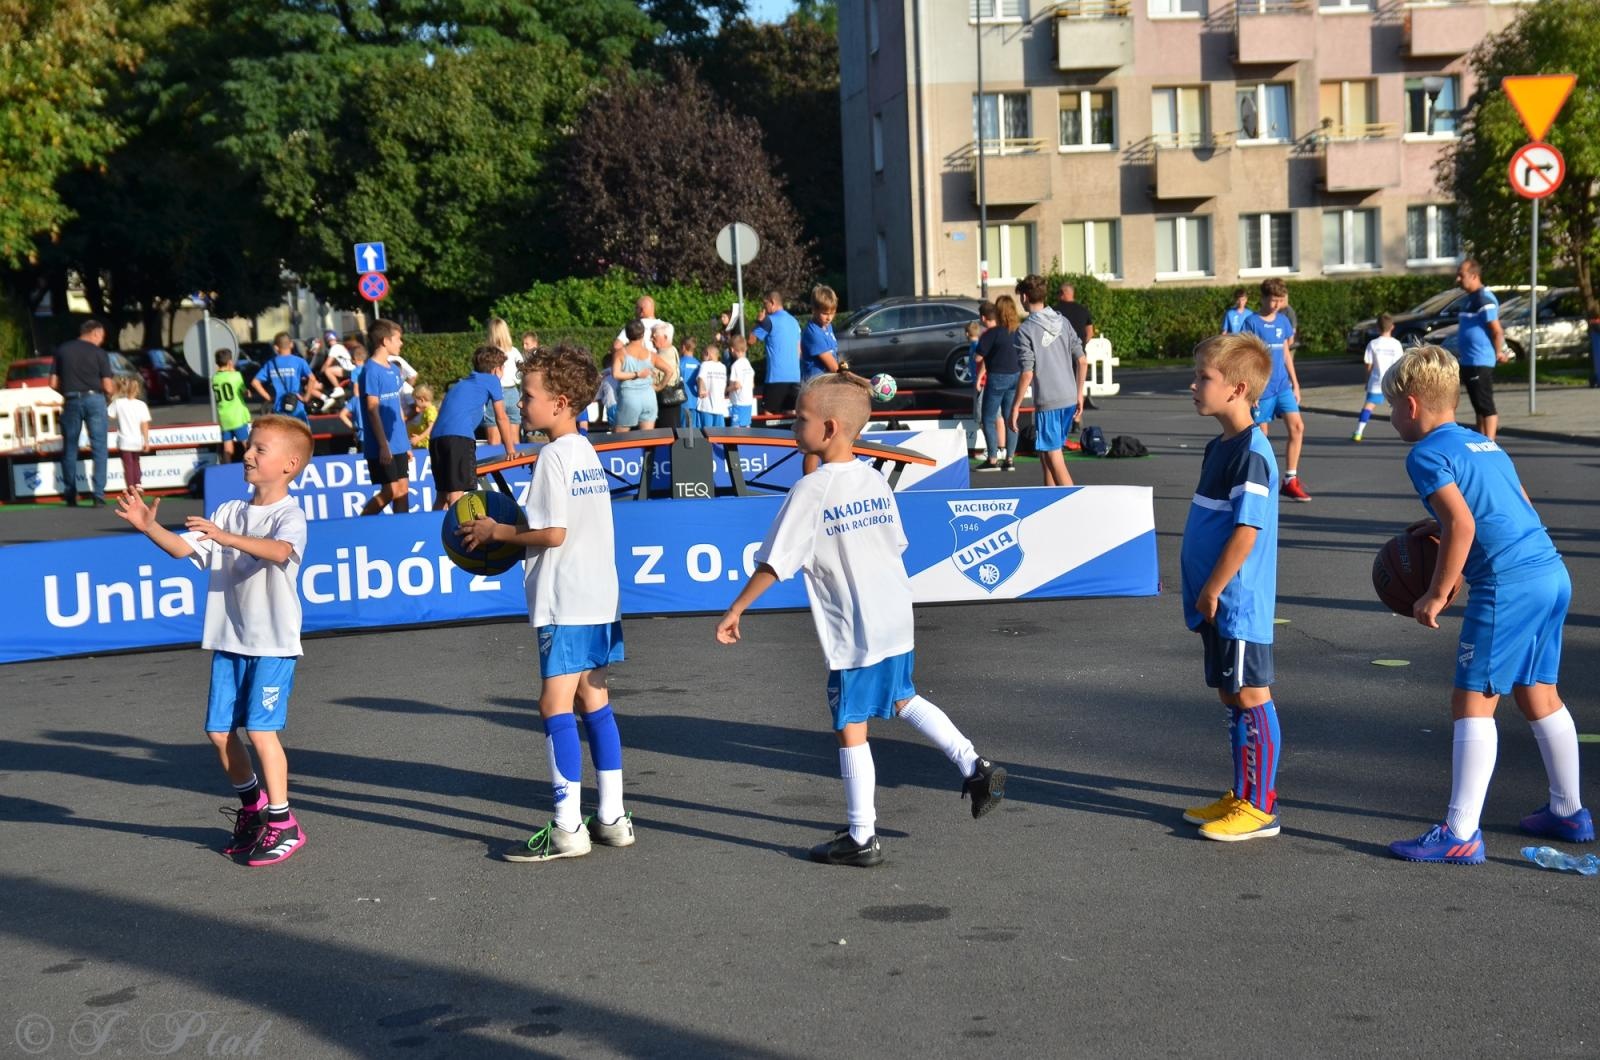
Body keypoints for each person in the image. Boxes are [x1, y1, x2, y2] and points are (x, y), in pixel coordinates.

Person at [715, 374, 1006, 866]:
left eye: (799, 419)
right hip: (894, 615)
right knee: (903, 697)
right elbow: (897, 544)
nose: (791, 424)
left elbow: (774, 562)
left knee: (850, 726)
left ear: (828, 428)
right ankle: (973, 764)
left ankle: (861, 835)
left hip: (855, 630)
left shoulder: (811, 489)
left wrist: (736, 608)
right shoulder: (873, 477)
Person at [1382, 345, 1588, 863]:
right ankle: (1569, 811)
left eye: (1390, 407)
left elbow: (1464, 524)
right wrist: (1442, 525)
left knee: (1472, 700)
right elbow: (1518, 505)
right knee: (1539, 691)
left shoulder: (1425, 453)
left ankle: (1460, 833)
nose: (1390, 417)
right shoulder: (1483, 442)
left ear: (1410, 405)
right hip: (1550, 572)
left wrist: (1436, 591)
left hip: (1509, 585)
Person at [458, 345, 635, 862]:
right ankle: (612, 817)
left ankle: (566, 828)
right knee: (594, 702)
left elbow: (551, 532)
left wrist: (497, 530)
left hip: (564, 601)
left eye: (528, 397)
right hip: (599, 599)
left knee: (552, 705)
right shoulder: (584, 451)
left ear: (559, 402)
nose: (519, 405)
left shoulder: (554, 457)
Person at [114, 414, 314, 867]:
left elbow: (280, 552)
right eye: (249, 445)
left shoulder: (289, 514)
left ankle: (284, 824)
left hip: (272, 642)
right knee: (218, 732)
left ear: (289, 463)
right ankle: (253, 812)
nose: (248, 453)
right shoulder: (228, 510)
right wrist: (149, 527)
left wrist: (226, 537)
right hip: (229, 638)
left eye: (260, 449)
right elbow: (187, 549)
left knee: (261, 731)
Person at [1181, 332, 1283, 842]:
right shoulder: (1219, 446)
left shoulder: (1253, 452)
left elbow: (1248, 529)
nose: (1194, 385)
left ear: (1238, 389)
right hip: (1215, 600)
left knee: (1250, 693)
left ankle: (1261, 808)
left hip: (1237, 601)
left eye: (1205, 378)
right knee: (1229, 692)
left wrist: (1215, 586)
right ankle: (1242, 793)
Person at [1010, 275, 1085, 487]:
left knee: (1053, 456)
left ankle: (1072, 504)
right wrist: (1079, 393)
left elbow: (1027, 373)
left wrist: (1015, 407)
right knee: (1046, 454)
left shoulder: (1025, 331)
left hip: (1049, 400)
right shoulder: (1063, 321)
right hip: (1069, 396)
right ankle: (1050, 501)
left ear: (1024, 297)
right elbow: (1082, 360)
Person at [1243, 278, 1311, 502]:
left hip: (1283, 386)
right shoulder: (1251, 322)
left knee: (1298, 427)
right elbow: (1246, 359)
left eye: (1280, 301)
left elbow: (1284, 354)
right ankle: (1260, 481)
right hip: (1262, 388)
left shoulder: (1282, 321)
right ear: (1263, 298)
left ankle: (1290, 480)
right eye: (1273, 300)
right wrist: (1250, 390)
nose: (1276, 304)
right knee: (1261, 436)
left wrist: (1296, 383)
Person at [429, 345, 517, 509]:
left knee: (442, 495)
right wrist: (510, 449)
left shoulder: (462, 383)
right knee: (456, 493)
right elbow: (502, 417)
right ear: (496, 369)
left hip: (436, 439)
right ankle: (455, 533)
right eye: (503, 367)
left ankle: (433, 532)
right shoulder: (492, 380)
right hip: (458, 437)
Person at [51, 319, 114, 506]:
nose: (101, 340)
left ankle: (70, 493)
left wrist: (68, 392)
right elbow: (108, 386)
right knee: (99, 447)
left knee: (70, 447)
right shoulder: (99, 353)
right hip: (95, 400)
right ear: (95, 333)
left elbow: (52, 383)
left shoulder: (62, 350)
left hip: (71, 400)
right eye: (101, 336)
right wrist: (108, 396)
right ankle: (99, 494)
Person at [358, 320, 411, 516]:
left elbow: (396, 408)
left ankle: (402, 534)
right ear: (384, 341)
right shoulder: (370, 370)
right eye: (398, 339)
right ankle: (360, 524)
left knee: (403, 491)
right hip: (382, 445)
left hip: (398, 443)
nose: (401, 343)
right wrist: (383, 445)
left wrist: (404, 443)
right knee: (391, 490)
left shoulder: (394, 369)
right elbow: (372, 409)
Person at [1454, 259, 1507, 441]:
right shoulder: (1470, 299)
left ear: (1474, 276)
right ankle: (1481, 439)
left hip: (1480, 360)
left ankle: (1489, 444)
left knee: (1485, 405)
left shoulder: (1484, 299)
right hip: (1468, 360)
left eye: (1461, 275)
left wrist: (1500, 351)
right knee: (1478, 405)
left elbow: (1496, 330)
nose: (1457, 279)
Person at [978, 296, 1021, 471]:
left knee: (988, 418)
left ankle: (993, 459)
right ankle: (1010, 459)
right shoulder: (1018, 331)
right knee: (1011, 418)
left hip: (997, 377)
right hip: (1015, 376)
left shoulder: (994, 333)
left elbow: (978, 356)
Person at [1351, 313, 1405, 443]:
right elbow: (1401, 364)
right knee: (1399, 408)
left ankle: (1358, 432)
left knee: (1368, 406)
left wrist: (1367, 380)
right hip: (1392, 380)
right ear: (1392, 327)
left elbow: (1368, 365)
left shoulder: (1373, 344)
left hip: (1376, 381)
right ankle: (1404, 432)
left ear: (1377, 328)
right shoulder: (1396, 344)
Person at [752, 290, 802, 415]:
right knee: (790, 414)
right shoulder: (794, 321)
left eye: (765, 304)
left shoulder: (769, 321)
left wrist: (758, 321)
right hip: (794, 377)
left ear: (772, 302)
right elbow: (799, 350)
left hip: (776, 377)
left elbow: (751, 340)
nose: (764, 308)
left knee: (768, 415)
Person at [251, 332, 316, 425]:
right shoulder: (299, 361)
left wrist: (269, 398)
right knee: (302, 435)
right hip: (297, 406)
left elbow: (255, 382)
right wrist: (306, 398)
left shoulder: (270, 364)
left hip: (279, 408)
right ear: (291, 344)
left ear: (276, 347)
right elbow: (312, 379)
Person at [611, 321, 661, 432]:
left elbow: (616, 374)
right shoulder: (651, 354)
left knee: (620, 439)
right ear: (643, 334)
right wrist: (659, 386)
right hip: (649, 397)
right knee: (647, 439)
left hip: (629, 397)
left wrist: (636, 374)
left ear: (627, 335)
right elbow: (669, 370)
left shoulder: (620, 353)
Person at [483, 318, 523, 447]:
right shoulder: (515, 351)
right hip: (512, 393)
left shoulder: (487, 354)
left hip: (494, 394)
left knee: (494, 442)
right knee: (514, 441)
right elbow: (521, 374)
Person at [211, 349, 252, 464]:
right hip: (237, 416)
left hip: (224, 418)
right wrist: (247, 392)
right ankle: (252, 467)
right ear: (230, 362)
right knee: (246, 445)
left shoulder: (215, 379)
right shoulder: (236, 376)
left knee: (227, 447)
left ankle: (227, 471)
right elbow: (244, 391)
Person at [111, 375, 152, 489]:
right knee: (136, 462)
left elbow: (109, 415)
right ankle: (138, 484)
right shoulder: (141, 405)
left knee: (128, 465)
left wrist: (115, 396)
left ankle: (130, 487)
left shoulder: (118, 403)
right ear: (137, 390)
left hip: (124, 440)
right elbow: (144, 424)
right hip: (137, 439)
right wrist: (146, 441)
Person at [801, 285, 841, 381]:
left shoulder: (827, 326)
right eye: (825, 313)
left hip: (828, 381)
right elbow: (834, 368)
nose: (829, 318)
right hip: (817, 385)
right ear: (814, 310)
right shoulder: (813, 333)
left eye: (832, 313)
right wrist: (861, 381)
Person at [650, 322, 685, 429]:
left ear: (665, 337)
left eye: (654, 336)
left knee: (667, 431)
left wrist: (658, 386)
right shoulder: (672, 350)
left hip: (666, 399)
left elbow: (668, 373)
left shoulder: (665, 354)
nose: (651, 339)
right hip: (670, 399)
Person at [696, 342, 729, 428]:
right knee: (719, 436)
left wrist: (701, 389)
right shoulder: (723, 367)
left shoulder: (705, 364)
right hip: (719, 408)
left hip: (706, 407)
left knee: (706, 436)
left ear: (707, 354)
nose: (702, 358)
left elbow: (700, 378)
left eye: (702, 355)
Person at [727, 335, 756, 427]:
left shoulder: (735, 366)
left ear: (732, 349)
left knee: (736, 430)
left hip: (738, 403)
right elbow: (752, 385)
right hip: (748, 401)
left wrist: (726, 390)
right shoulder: (748, 364)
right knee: (747, 426)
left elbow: (736, 385)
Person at [678, 335, 702, 430]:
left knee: (684, 431)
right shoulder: (699, 364)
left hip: (683, 402)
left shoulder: (679, 363)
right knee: (694, 430)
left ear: (683, 347)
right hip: (695, 401)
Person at [407, 384, 437, 448]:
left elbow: (431, 427)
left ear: (422, 400)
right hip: (422, 445)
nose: (414, 403)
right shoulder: (426, 410)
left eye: (415, 401)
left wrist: (419, 438)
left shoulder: (430, 411)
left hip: (426, 446)